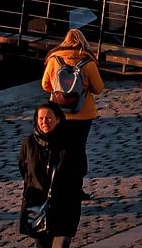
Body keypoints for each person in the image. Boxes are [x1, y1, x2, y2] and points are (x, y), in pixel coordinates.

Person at [18, 103, 84, 248]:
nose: (44, 122)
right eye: (40, 119)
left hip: (64, 205)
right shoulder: (29, 144)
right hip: (37, 205)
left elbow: (79, 171)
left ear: (57, 119)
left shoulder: (71, 143)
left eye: (48, 118)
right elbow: (24, 170)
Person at [40, 28, 106, 156]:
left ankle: (61, 172)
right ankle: (78, 173)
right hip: (83, 113)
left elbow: (44, 85)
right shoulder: (88, 62)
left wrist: (59, 90)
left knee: (60, 147)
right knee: (79, 148)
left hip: (59, 112)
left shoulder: (54, 60)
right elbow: (98, 89)